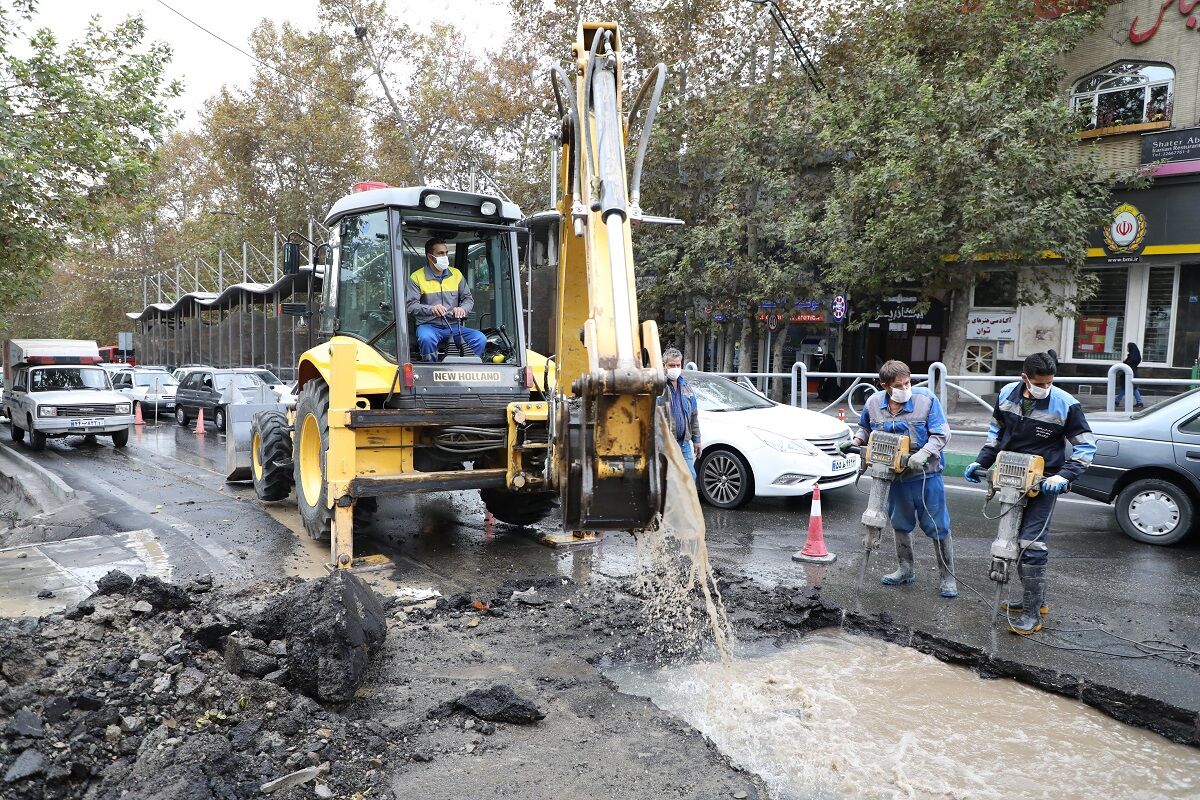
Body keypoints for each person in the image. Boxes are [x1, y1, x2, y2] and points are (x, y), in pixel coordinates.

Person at [964, 352, 1097, 635]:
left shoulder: (1065, 405)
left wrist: (1063, 476)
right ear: (1024, 378)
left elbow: (1086, 448)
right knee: (1009, 540)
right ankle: (1034, 600)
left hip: (1043, 482)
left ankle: (1032, 615)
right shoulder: (1007, 396)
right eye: (1040, 382)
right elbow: (996, 431)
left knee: (1031, 544)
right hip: (1011, 477)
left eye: (1050, 382)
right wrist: (982, 461)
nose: (1045, 387)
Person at [841, 360, 957, 598]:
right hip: (894, 478)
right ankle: (905, 569)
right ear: (885, 386)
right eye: (899, 384)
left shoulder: (926, 400)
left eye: (908, 382)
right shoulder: (874, 404)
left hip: (926, 475)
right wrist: (855, 442)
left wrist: (924, 453)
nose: (905, 387)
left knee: (938, 526)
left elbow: (941, 433)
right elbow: (865, 428)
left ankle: (947, 577)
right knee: (900, 524)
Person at [406, 239, 487, 362]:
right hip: (428, 326)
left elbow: (468, 299)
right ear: (430, 257)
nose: (445, 256)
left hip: (454, 327)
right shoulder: (416, 277)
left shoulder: (456, 274)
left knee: (480, 338)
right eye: (440, 253)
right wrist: (431, 309)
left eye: (446, 253)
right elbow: (411, 306)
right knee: (426, 338)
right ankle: (432, 372)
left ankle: (466, 372)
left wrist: (462, 309)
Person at [662, 348, 702, 479]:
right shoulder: (658, 387)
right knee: (668, 479)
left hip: (684, 442)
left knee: (690, 477)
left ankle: (685, 501)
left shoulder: (686, 386)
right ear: (664, 366)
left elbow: (693, 416)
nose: (675, 368)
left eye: (678, 365)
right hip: (665, 443)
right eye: (671, 365)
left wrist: (697, 440)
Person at [1114, 342, 1145, 410]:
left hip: (1129, 374)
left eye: (1128, 347)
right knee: (1126, 388)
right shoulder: (1136, 357)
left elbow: (1126, 364)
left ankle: (1139, 402)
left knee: (1131, 388)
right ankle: (1117, 401)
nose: (1127, 348)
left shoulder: (1131, 358)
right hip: (1133, 373)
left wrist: (1123, 362)